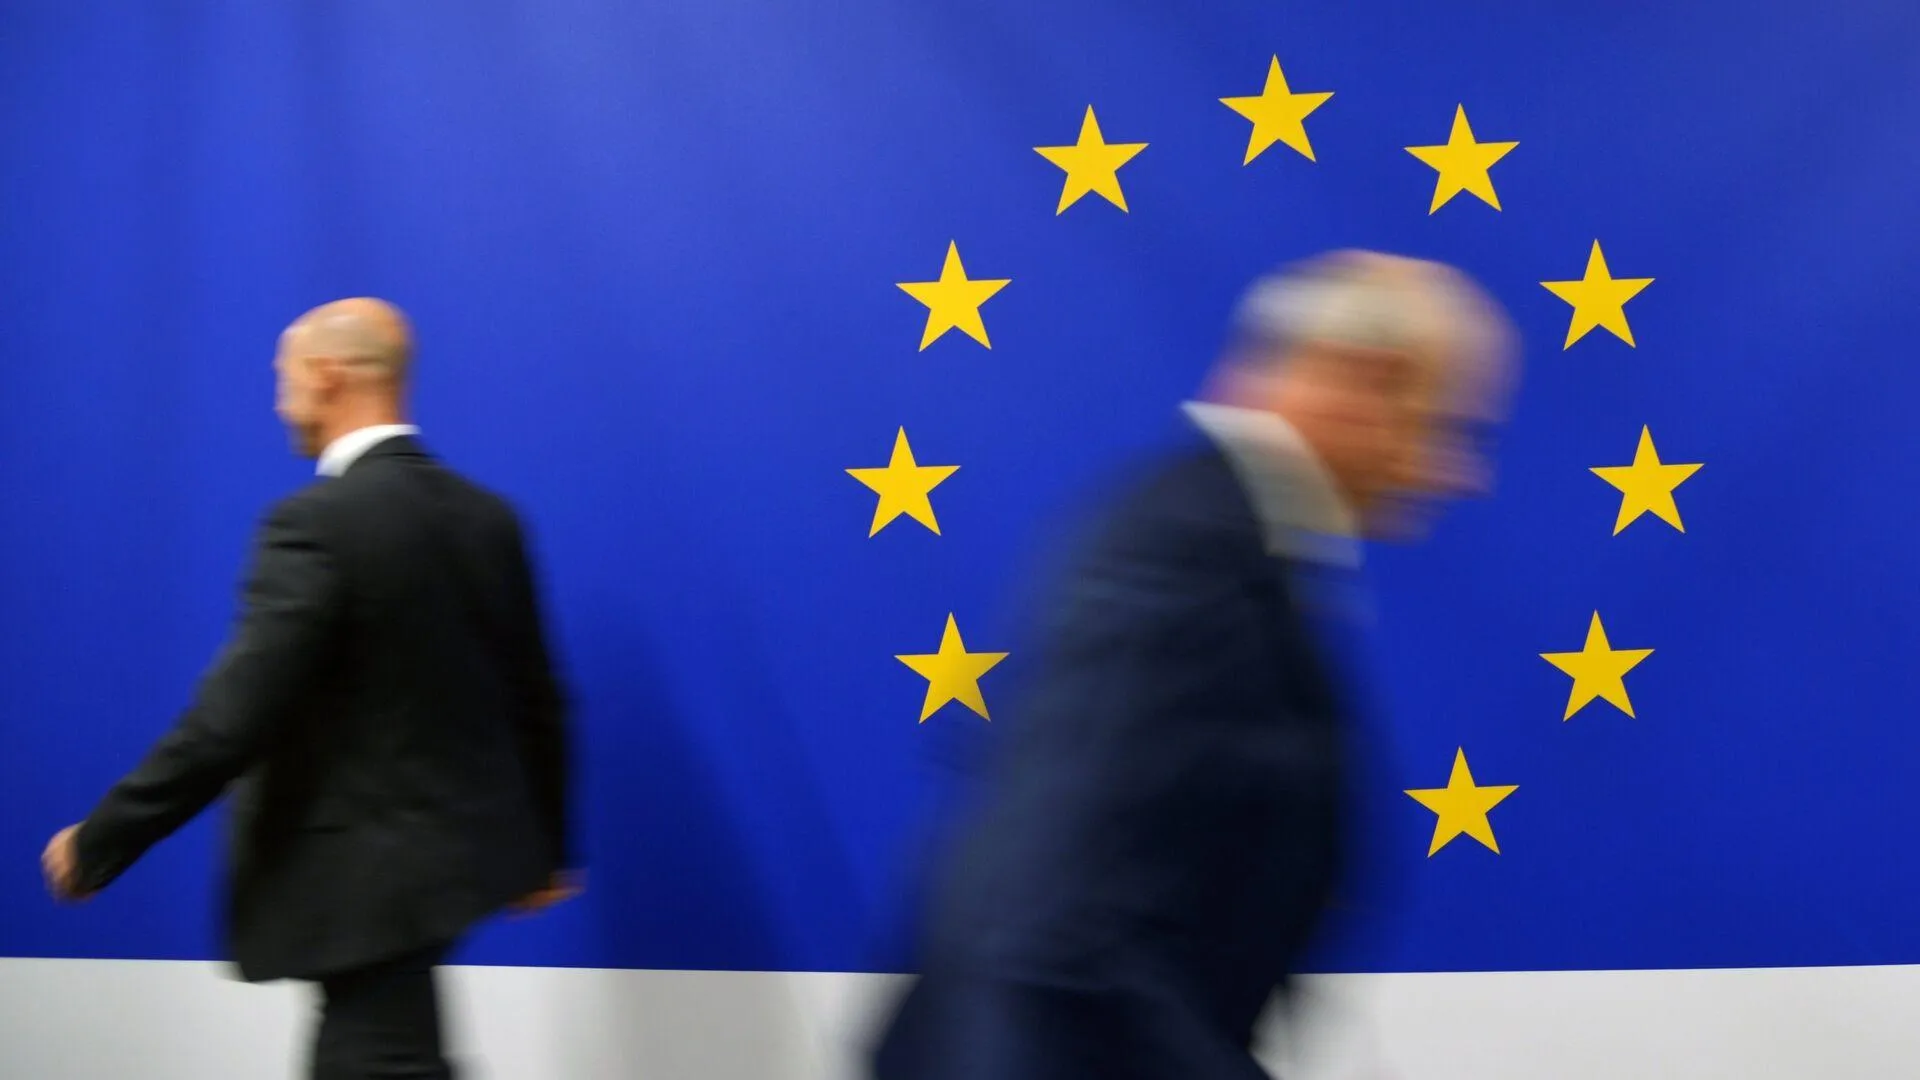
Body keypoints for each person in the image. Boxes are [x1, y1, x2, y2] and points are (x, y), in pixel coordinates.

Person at [870, 251, 1517, 1079]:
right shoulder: (1189, 556)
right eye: (1448, 426)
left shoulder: (1222, 543)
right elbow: (1059, 932)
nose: (1462, 474)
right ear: (1368, 382)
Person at [40, 298, 578, 1080]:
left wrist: (102, 839)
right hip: (453, 876)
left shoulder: (317, 524)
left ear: (328, 375)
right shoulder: (487, 519)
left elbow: (232, 718)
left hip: (362, 891)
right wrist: (547, 853)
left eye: (283, 377)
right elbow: (538, 698)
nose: (277, 401)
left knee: (378, 1059)